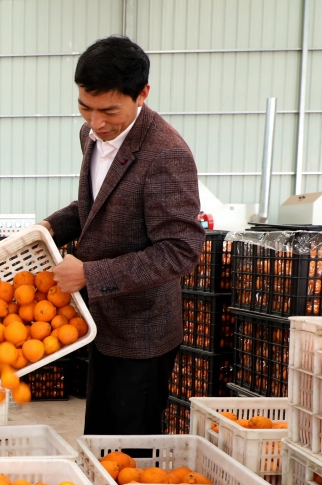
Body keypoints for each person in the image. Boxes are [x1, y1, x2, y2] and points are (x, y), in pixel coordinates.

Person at [39, 36, 203, 436]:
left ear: (142, 93)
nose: (95, 122)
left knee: (130, 452)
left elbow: (180, 251)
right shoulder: (92, 136)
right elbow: (96, 206)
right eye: (85, 107)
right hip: (101, 322)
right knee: (99, 439)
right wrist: (49, 228)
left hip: (142, 333)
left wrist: (90, 275)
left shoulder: (166, 154)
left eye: (108, 111)